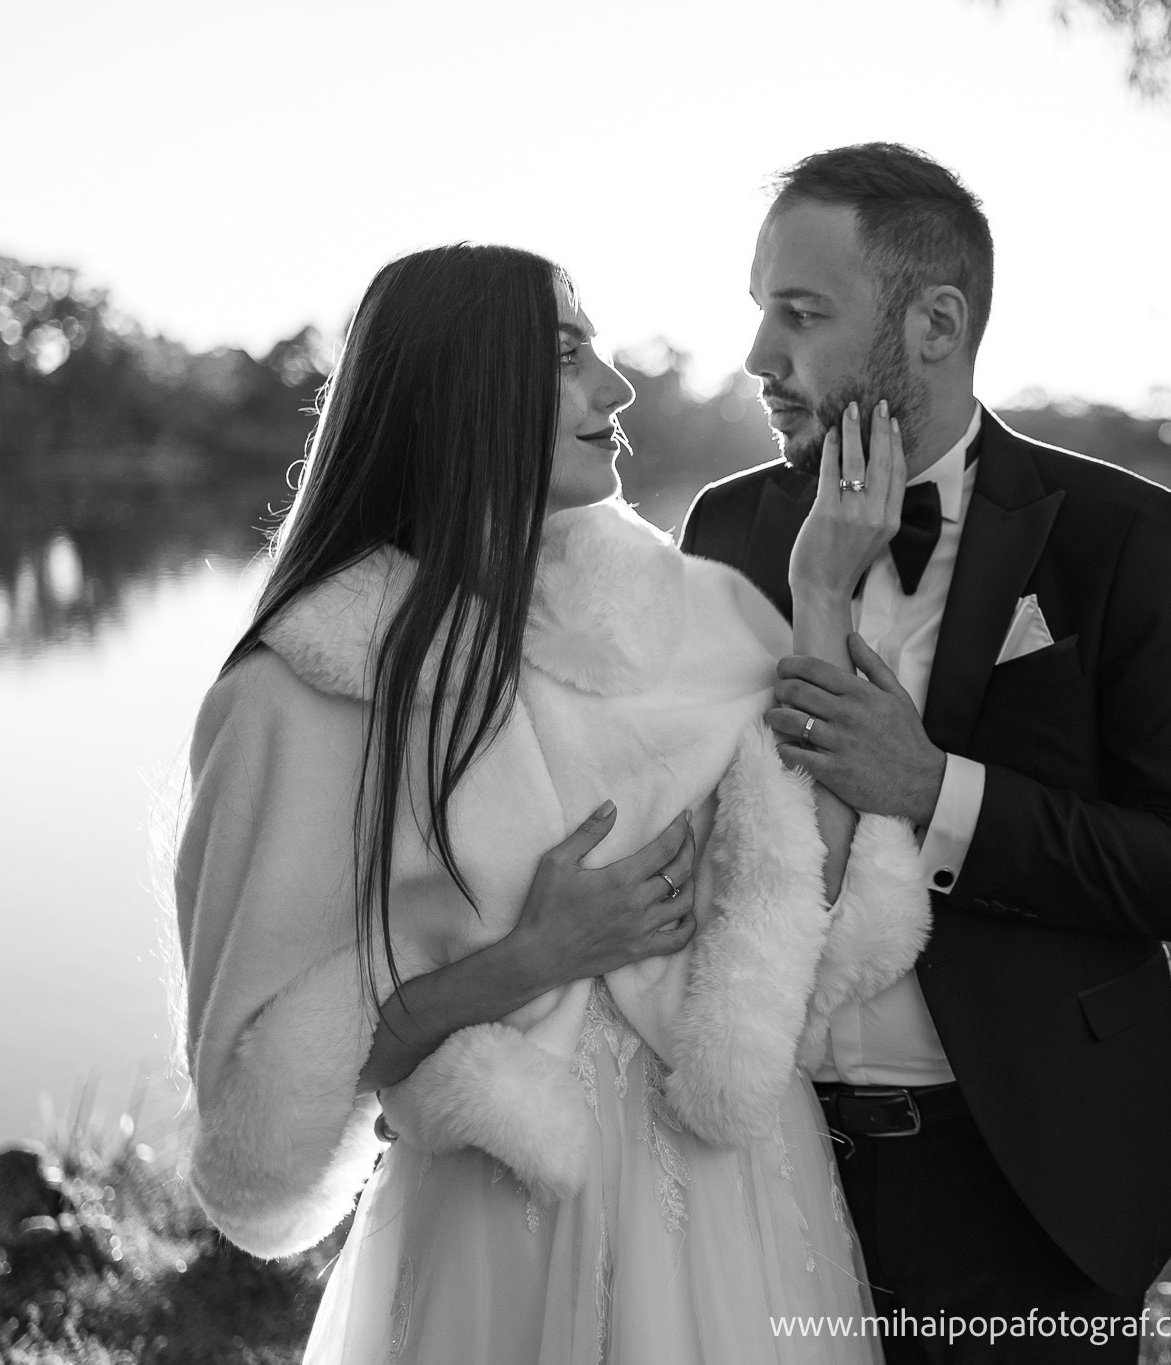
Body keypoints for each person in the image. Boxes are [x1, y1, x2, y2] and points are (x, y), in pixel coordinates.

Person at [174, 243, 932, 1364]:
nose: (615, 390)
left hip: (745, 1194)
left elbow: (799, 911)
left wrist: (821, 593)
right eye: (570, 355)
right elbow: (269, 1089)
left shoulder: (694, 614)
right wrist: (533, 956)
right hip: (507, 1208)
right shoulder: (310, 684)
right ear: (462, 391)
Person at [681, 145, 1171, 1362]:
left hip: (1024, 1183)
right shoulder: (725, 530)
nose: (758, 360)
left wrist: (935, 792)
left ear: (933, 322)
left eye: (801, 314)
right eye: (757, 312)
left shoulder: (1118, 537)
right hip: (765, 1168)